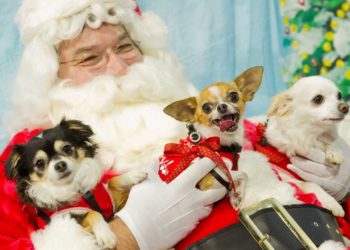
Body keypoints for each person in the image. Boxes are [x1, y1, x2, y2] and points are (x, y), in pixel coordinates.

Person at [0, 0, 226, 249]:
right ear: (52, 75)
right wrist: (128, 235)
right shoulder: (25, 157)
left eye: (125, 46)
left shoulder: (213, 116)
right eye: (89, 58)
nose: (119, 68)